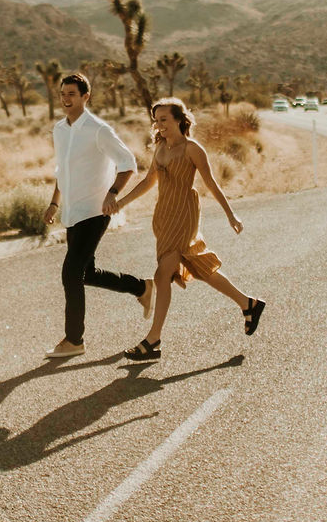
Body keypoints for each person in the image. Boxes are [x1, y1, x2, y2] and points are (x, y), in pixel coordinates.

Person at [104, 97, 265, 360]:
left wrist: (230, 214)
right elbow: (148, 182)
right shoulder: (160, 149)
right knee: (199, 268)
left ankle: (153, 340)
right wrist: (120, 203)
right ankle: (248, 304)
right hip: (165, 216)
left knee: (162, 273)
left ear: (179, 120)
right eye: (156, 121)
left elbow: (211, 184)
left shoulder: (192, 149)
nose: (159, 125)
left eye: (164, 120)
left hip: (185, 214)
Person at [43, 71, 153, 360]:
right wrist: (54, 204)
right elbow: (61, 171)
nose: (66, 99)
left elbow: (128, 163)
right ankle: (141, 287)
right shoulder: (60, 130)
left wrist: (113, 193)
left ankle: (74, 340)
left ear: (85, 97)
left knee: (70, 274)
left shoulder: (98, 129)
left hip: (95, 211)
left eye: (72, 94)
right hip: (72, 212)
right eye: (63, 94)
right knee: (86, 273)